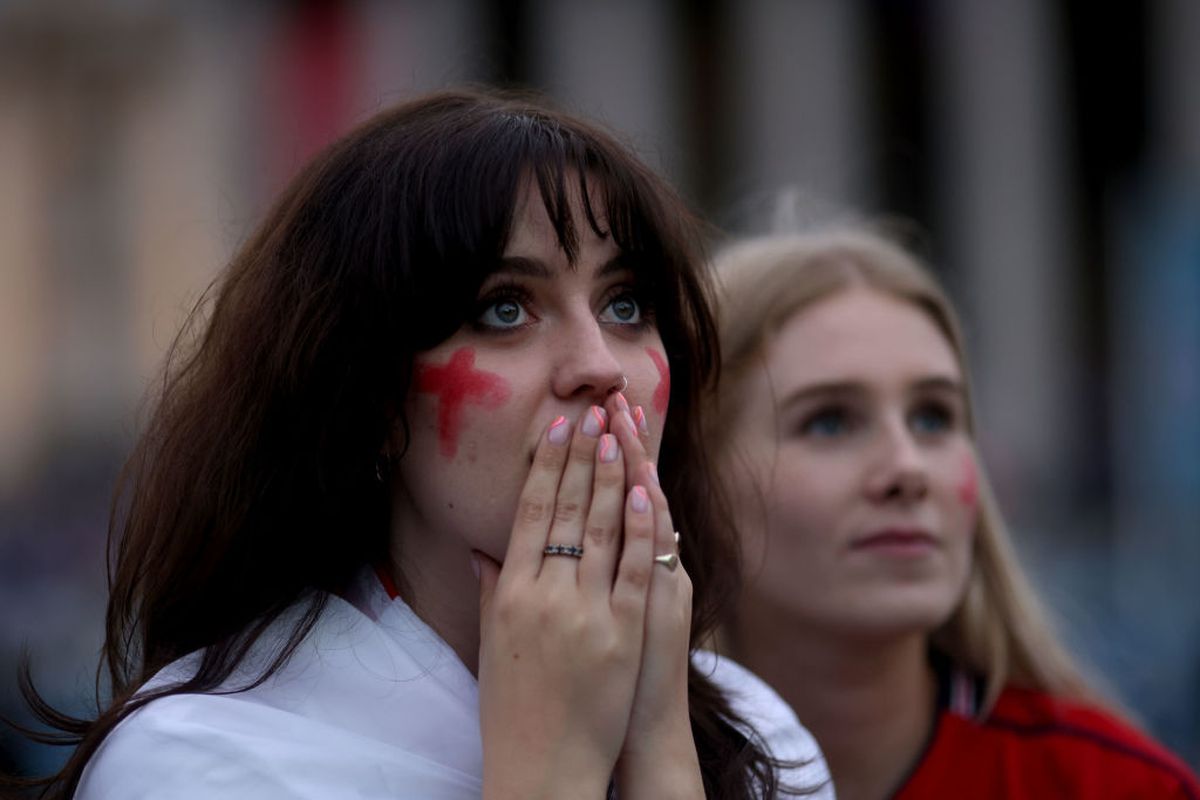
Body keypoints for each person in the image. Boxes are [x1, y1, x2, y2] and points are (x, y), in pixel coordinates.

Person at [10, 91, 832, 799]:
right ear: (368, 401)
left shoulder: (761, 734)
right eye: (505, 309)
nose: (599, 367)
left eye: (625, 305)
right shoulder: (206, 761)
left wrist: (661, 755)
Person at [706, 227, 1200, 799]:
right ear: (698, 476)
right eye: (830, 421)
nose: (907, 468)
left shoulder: (1118, 787)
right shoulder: (601, 772)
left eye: (934, 417)